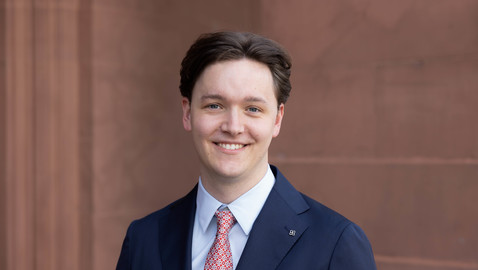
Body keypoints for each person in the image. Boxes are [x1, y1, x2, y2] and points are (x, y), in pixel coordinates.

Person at [116, 31, 377, 270]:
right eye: (214, 106)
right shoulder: (144, 238)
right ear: (187, 112)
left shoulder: (335, 242)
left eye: (253, 109)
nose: (233, 126)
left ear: (277, 119)